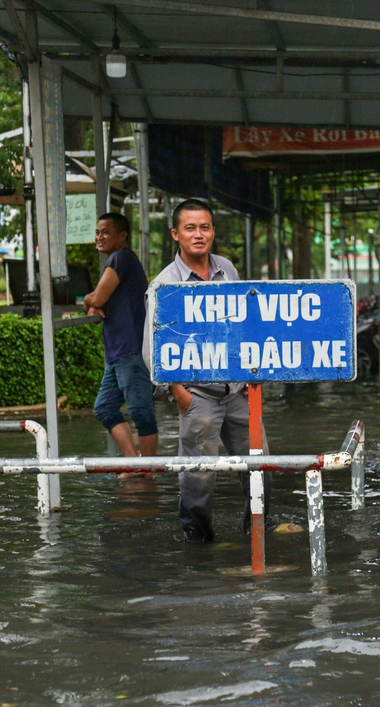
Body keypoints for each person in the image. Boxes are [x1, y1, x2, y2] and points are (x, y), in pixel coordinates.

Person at [144, 198, 273, 544]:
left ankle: (259, 530)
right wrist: (179, 394)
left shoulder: (226, 269)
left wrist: (249, 375)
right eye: (190, 228)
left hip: (238, 390)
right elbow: (151, 351)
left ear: (213, 232)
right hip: (197, 395)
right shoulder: (164, 285)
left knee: (261, 464)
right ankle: (197, 541)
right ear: (175, 234)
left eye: (204, 227)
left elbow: (242, 325)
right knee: (199, 477)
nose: (198, 235)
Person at [85, 212, 159, 458]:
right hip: (117, 352)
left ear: (122, 235)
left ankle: (148, 471)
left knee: (141, 412)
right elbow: (104, 299)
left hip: (131, 349)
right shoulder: (120, 261)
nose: (99, 237)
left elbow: (97, 297)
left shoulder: (120, 258)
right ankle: (133, 462)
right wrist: (96, 304)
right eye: (97, 232)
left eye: (105, 232)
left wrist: (90, 301)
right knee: (104, 408)